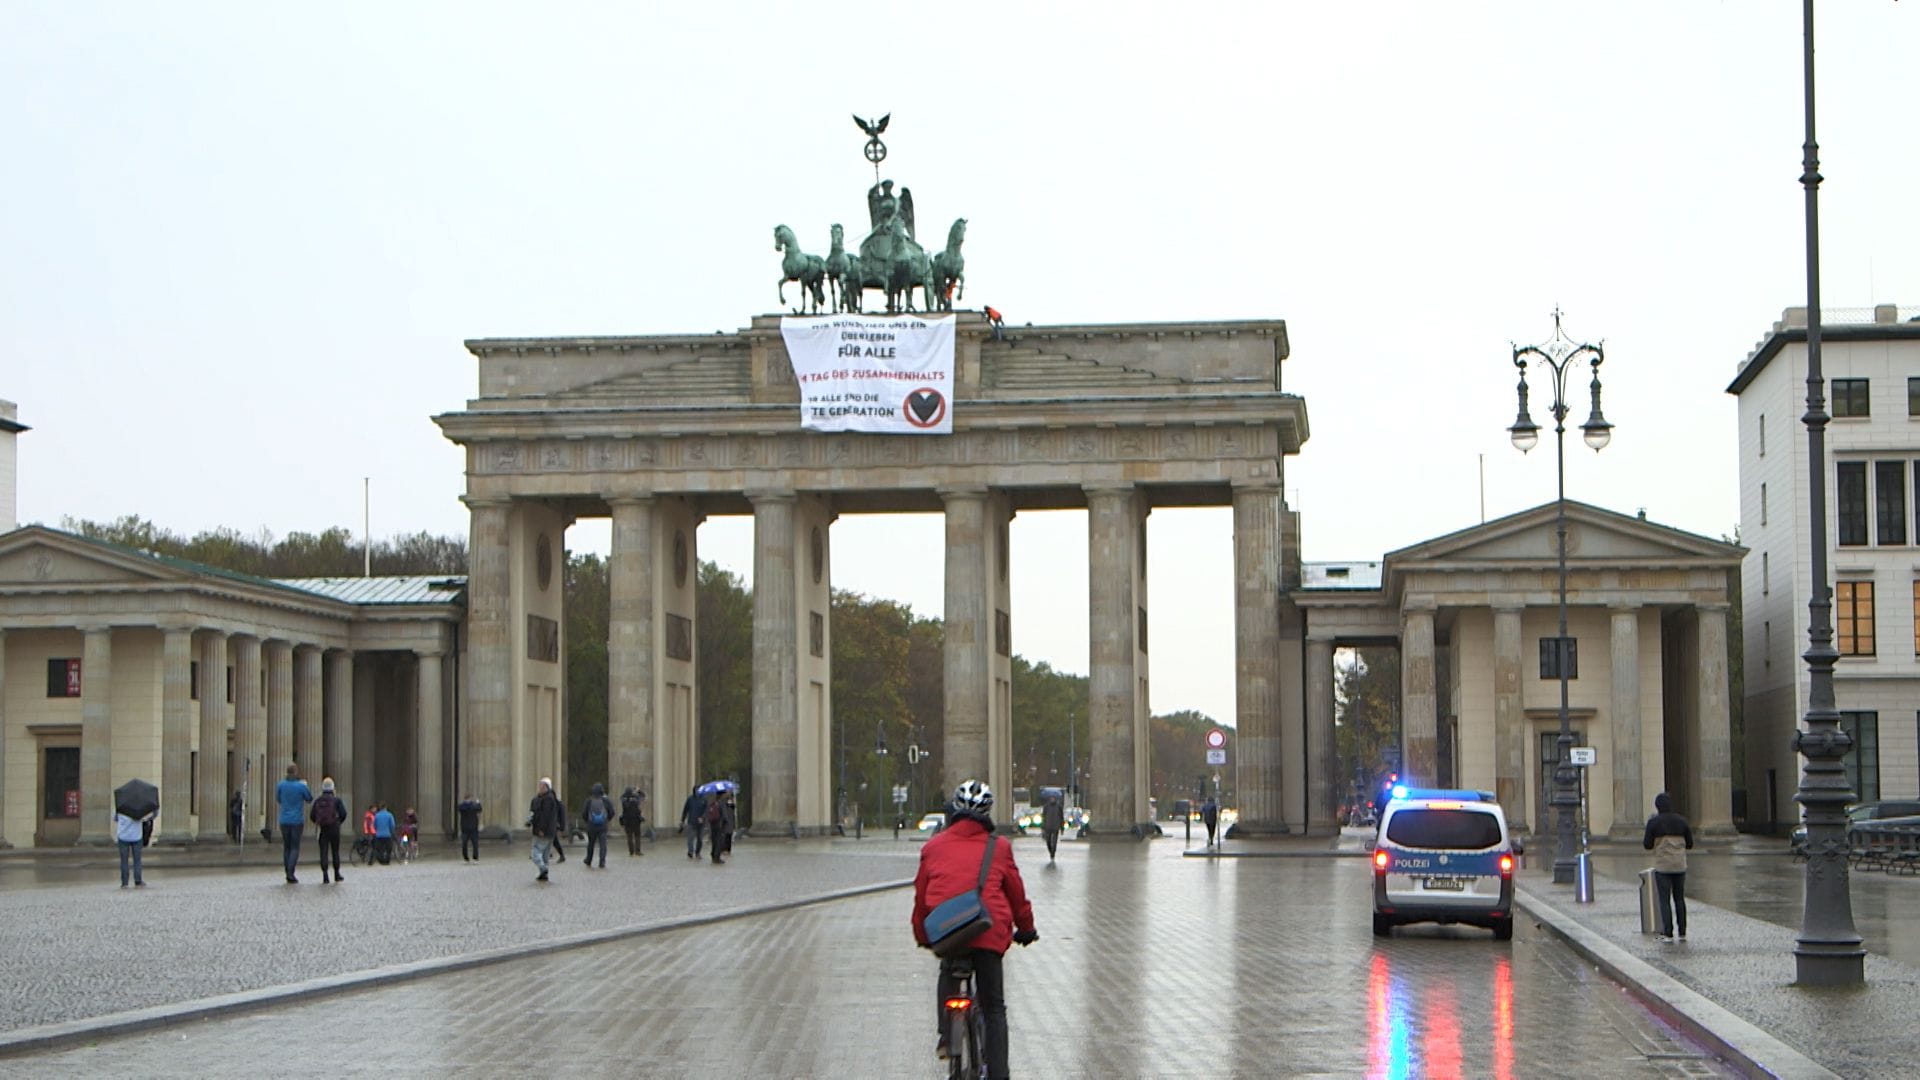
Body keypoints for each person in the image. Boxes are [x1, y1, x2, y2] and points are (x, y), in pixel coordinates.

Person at [911, 780, 1037, 1075]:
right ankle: (998, 1073)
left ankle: (946, 1034)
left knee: (948, 969)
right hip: (988, 930)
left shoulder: (933, 846)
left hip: (947, 930)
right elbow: (1017, 895)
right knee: (993, 1008)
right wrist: (1026, 929)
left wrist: (923, 935)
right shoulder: (999, 848)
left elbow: (921, 898)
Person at [1643, 792, 1695, 942]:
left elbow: (1647, 845)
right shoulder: (1682, 821)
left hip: (1663, 865)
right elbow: (1690, 844)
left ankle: (1668, 933)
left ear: (1657, 806)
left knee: (1664, 900)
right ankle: (1683, 932)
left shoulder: (1654, 823)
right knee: (1679, 898)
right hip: (1680, 865)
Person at [275, 764, 313, 884]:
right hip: (296, 820)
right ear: (296, 772)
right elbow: (309, 798)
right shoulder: (301, 786)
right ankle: (291, 873)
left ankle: (287, 871)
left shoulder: (280, 785)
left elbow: (279, 799)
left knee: (287, 847)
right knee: (295, 847)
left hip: (284, 820)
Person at [310, 778, 348, 884]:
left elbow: (312, 816)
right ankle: (337, 874)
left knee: (323, 851)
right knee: (335, 851)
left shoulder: (318, 800)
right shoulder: (336, 800)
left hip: (323, 829)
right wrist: (338, 822)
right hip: (334, 828)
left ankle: (325, 875)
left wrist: (319, 822)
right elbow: (343, 813)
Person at [529, 777, 564, 882]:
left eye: (542, 786)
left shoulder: (548, 799)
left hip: (544, 831)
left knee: (536, 852)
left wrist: (541, 829)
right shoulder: (549, 798)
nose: (539, 788)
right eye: (539, 785)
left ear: (546, 787)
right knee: (545, 855)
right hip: (550, 831)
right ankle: (543, 874)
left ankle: (543, 869)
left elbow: (545, 816)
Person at [580, 783, 614, 869]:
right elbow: (612, 812)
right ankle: (602, 862)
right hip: (603, 826)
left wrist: (588, 821)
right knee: (603, 844)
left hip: (591, 826)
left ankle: (589, 860)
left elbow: (584, 813)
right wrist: (607, 820)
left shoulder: (589, 800)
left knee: (591, 843)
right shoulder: (606, 800)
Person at [113, 808, 149, 887]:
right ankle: (138, 880)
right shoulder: (139, 808)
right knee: (137, 860)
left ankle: (124, 882)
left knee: (124, 861)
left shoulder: (120, 808)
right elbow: (146, 818)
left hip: (123, 836)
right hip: (136, 835)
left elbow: (115, 818)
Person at [706, 790, 736, 865]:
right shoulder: (722, 802)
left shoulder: (713, 801)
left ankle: (713, 855)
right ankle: (717, 858)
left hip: (713, 824)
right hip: (720, 824)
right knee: (719, 841)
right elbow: (724, 814)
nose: (726, 794)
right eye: (725, 793)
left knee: (714, 840)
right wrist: (727, 821)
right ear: (722, 794)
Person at [681, 787, 709, 860]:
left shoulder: (704, 799)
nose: (697, 792)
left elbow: (706, 810)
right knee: (690, 838)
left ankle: (698, 853)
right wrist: (682, 820)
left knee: (699, 839)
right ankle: (690, 852)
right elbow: (685, 810)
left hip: (701, 823)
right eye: (696, 790)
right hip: (691, 821)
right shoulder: (690, 799)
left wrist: (703, 817)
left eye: (698, 790)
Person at [620, 787, 646, 857]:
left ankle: (631, 851)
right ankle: (637, 851)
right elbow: (643, 796)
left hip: (627, 820)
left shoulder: (623, 800)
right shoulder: (636, 799)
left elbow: (622, 796)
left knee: (629, 836)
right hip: (636, 820)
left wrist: (626, 794)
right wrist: (638, 791)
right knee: (637, 836)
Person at [457, 793, 483, 862]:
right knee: (464, 844)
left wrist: (478, 804)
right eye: (467, 799)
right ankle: (466, 857)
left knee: (475, 844)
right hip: (466, 828)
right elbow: (463, 808)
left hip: (472, 828)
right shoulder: (463, 806)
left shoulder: (471, 805)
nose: (468, 800)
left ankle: (475, 857)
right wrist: (477, 803)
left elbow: (479, 809)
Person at [1040, 791, 1065, 863]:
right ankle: (1050, 850)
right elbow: (1043, 817)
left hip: (1056, 826)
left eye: (1053, 798)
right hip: (1048, 826)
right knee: (1048, 841)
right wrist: (1043, 827)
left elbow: (1061, 818)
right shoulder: (1046, 807)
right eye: (1051, 798)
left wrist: (1062, 828)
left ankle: (1053, 853)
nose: (1052, 799)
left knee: (1054, 842)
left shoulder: (1059, 807)